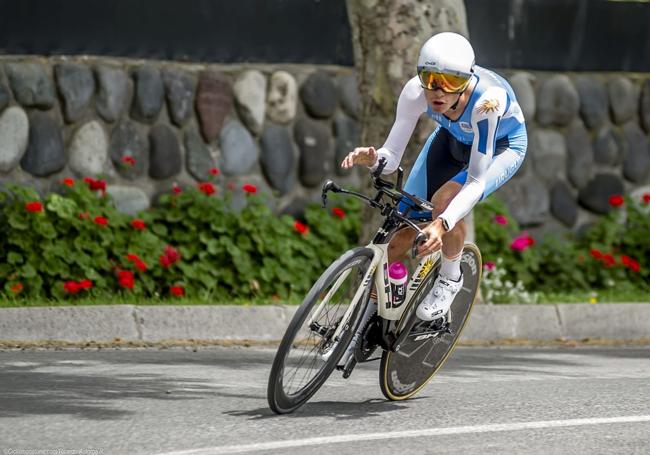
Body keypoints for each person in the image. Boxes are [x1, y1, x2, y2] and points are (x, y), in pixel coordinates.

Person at [341, 32, 527, 322]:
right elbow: (390, 158)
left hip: (501, 147)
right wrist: (374, 158)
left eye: (450, 82)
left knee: (445, 201)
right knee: (400, 229)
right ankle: (364, 323)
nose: (438, 92)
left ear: (467, 79)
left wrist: (441, 225)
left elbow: (476, 182)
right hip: (453, 140)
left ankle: (451, 278)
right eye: (430, 79)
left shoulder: (486, 102)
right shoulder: (415, 92)